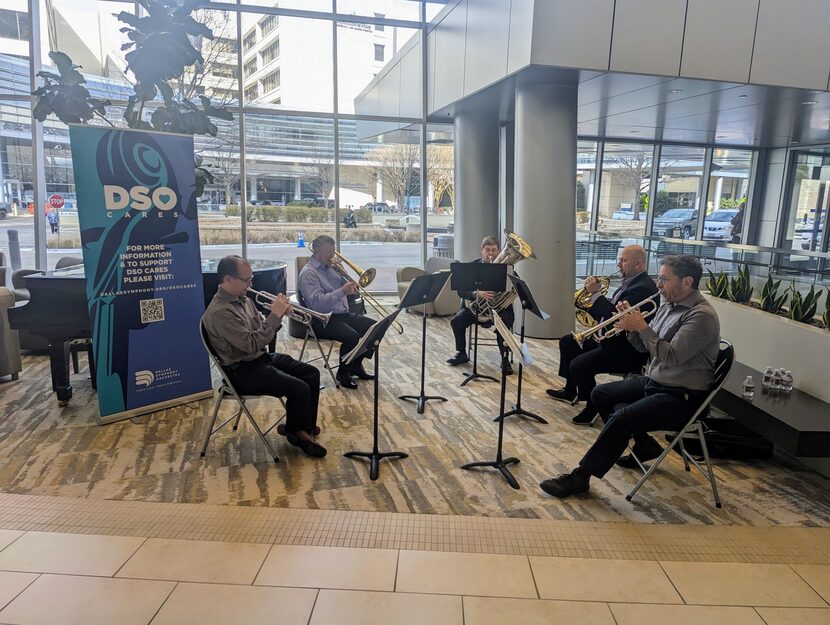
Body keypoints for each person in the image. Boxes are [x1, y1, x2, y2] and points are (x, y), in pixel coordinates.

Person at [540, 255, 720, 499]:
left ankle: (581, 477)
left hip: (682, 396)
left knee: (622, 417)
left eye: (664, 279)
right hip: (656, 382)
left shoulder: (701, 316)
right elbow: (644, 348)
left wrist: (643, 327)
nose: (658, 284)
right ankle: (644, 443)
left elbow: (671, 357)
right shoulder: (668, 305)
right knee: (600, 394)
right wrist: (630, 327)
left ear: (687, 282)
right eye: (659, 278)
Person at [203, 255, 326, 458]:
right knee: (299, 388)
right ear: (227, 280)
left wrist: (276, 316)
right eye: (247, 280)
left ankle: (304, 428)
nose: (251, 284)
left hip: (259, 359)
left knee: (311, 374)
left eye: (251, 278)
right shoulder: (220, 313)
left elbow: (262, 332)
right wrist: (275, 316)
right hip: (241, 371)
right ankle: (296, 432)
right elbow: (251, 345)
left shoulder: (245, 300)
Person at [547, 245, 658, 425]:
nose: (619, 264)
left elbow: (614, 317)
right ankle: (570, 390)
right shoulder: (631, 282)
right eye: (619, 259)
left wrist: (596, 294)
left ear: (638, 263)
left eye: (624, 260)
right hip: (610, 342)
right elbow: (614, 309)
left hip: (626, 350)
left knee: (579, 365)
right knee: (568, 342)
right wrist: (598, 299)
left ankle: (592, 406)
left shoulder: (643, 288)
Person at [297, 235, 376, 390]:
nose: (332, 256)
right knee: (352, 336)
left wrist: (346, 277)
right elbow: (317, 303)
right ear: (317, 251)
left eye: (334, 252)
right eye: (329, 253)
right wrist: (342, 291)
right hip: (321, 319)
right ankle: (344, 372)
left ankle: (355, 364)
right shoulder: (308, 273)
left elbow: (347, 288)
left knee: (374, 327)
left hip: (341, 314)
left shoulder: (332, 268)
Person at [446, 235, 516, 376]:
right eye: (487, 250)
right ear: (481, 250)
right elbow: (461, 290)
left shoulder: (506, 268)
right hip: (476, 309)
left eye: (494, 250)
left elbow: (516, 286)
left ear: (499, 250)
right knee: (456, 322)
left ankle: (505, 358)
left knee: (505, 323)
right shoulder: (472, 267)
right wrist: (476, 293)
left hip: (499, 310)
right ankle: (461, 353)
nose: (491, 253)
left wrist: (511, 287)